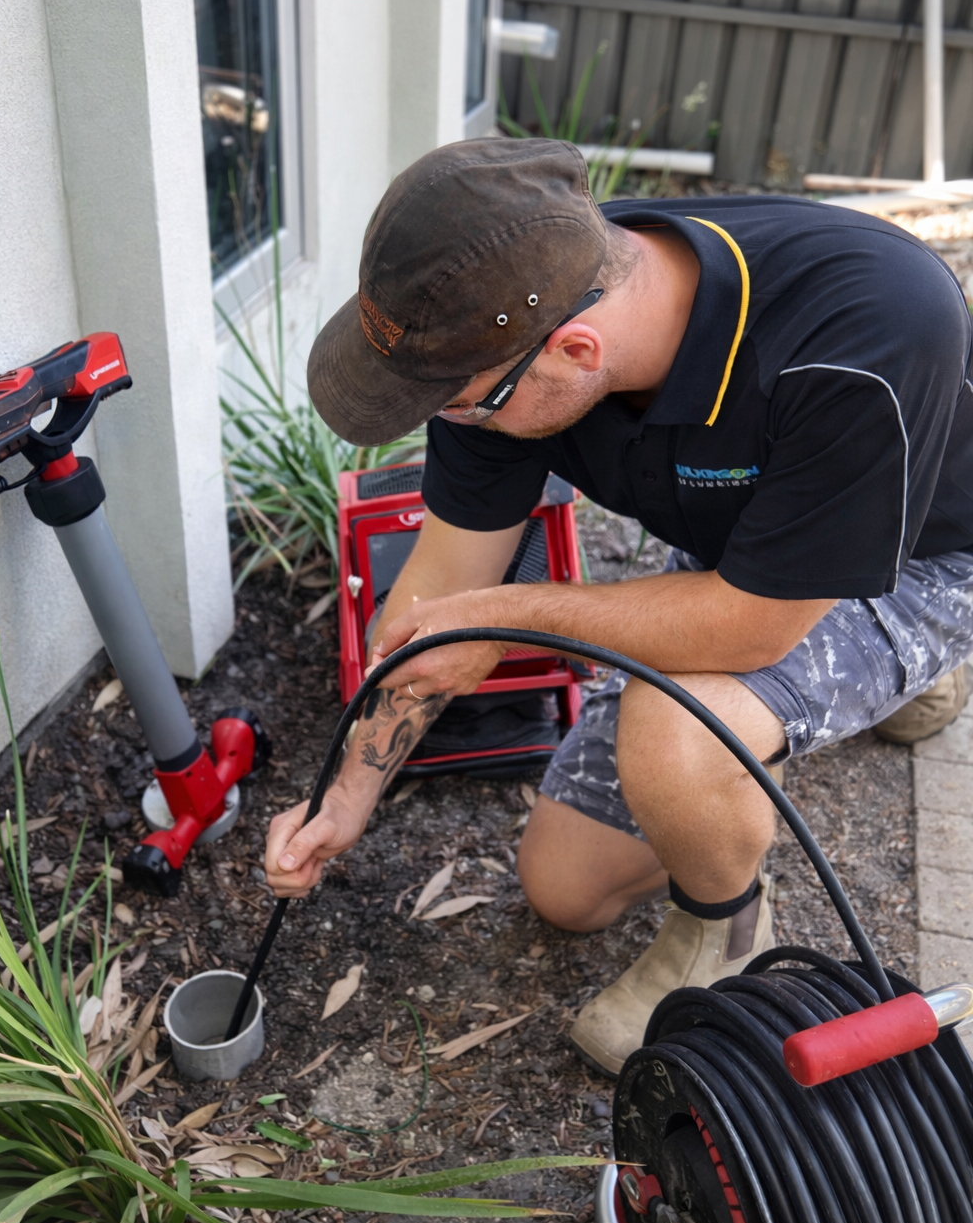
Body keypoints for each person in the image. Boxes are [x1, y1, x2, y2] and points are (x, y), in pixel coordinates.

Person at [264, 137, 973, 1077]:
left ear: (577, 350)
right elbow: (444, 586)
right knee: (567, 889)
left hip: (919, 555)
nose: (453, 421)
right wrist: (345, 795)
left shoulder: (869, 328)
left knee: (675, 730)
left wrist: (517, 616)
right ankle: (779, 723)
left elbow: (752, 628)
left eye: (465, 406)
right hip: (747, 547)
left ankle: (729, 938)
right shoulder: (511, 318)